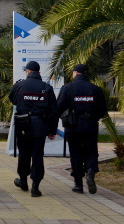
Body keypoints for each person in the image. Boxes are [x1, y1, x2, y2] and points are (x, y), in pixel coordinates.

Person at [9, 61, 58, 197]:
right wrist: (52, 130)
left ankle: (23, 182)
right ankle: (35, 187)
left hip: (23, 125)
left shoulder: (20, 85)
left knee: (24, 154)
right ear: (39, 73)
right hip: (40, 126)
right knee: (37, 155)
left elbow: (12, 99)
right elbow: (54, 111)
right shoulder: (46, 88)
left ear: (28, 71)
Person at [57, 64, 107, 194]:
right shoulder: (96, 89)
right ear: (86, 74)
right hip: (90, 126)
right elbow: (102, 110)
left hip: (73, 126)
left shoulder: (68, 88)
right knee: (91, 151)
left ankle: (78, 184)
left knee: (76, 153)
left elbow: (59, 107)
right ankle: (90, 171)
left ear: (75, 73)